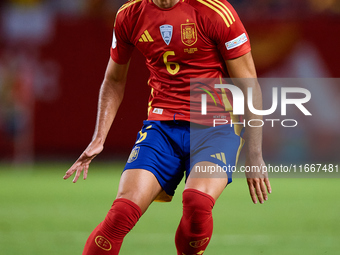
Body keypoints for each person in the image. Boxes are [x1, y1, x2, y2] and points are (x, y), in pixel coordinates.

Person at [63, 0, 272, 254]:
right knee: (121, 212)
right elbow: (114, 80)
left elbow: (248, 84)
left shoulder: (215, 11)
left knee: (197, 202)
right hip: (162, 128)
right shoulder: (130, 15)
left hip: (215, 127)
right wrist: (99, 137)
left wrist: (255, 154)